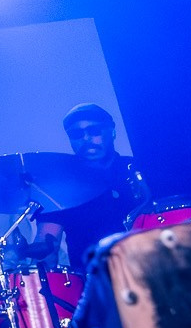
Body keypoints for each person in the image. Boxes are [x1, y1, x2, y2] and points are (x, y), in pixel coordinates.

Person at [37, 103, 149, 276]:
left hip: (151, 269)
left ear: (111, 131)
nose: (86, 138)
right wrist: (30, 250)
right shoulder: (61, 186)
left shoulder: (138, 169)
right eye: (76, 134)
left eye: (94, 131)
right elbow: (47, 245)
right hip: (95, 283)